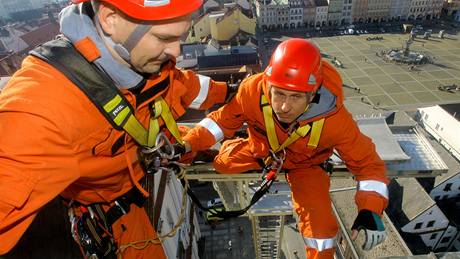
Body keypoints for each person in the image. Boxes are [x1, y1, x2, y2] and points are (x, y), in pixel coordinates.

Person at [0, 0, 234, 257]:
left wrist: (230, 93)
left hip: (128, 206)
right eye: (164, 38)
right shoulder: (41, 110)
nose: (175, 52)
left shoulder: (141, 62)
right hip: (106, 214)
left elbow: (184, 86)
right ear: (110, 18)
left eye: (180, 37)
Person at [182, 38, 389, 259]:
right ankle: (195, 142)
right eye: (279, 93)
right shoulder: (251, 91)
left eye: (296, 97)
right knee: (222, 164)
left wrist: (370, 209)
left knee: (320, 232)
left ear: (313, 96)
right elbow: (220, 122)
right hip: (263, 153)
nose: (284, 107)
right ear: (268, 84)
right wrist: (188, 144)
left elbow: (369, 165)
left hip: (306, 167)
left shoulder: (335, 120)